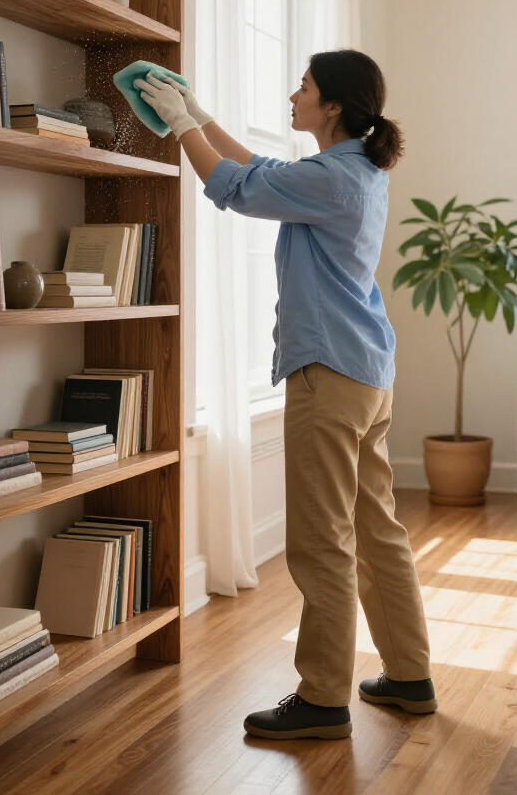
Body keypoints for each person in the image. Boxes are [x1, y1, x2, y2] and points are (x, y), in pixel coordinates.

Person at [134, 49, 435, 741]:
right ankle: (410, 674)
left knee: (322, 540)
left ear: (332, 106)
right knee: (375, 530)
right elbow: (263, 175)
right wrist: (201, 117)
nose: (292, 94)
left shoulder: (334, 178)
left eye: (304, 87)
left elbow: (235, 190)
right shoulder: (354, 166)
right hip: (365, 372)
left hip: (329, 374)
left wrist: (183, 128)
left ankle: (324, 697)